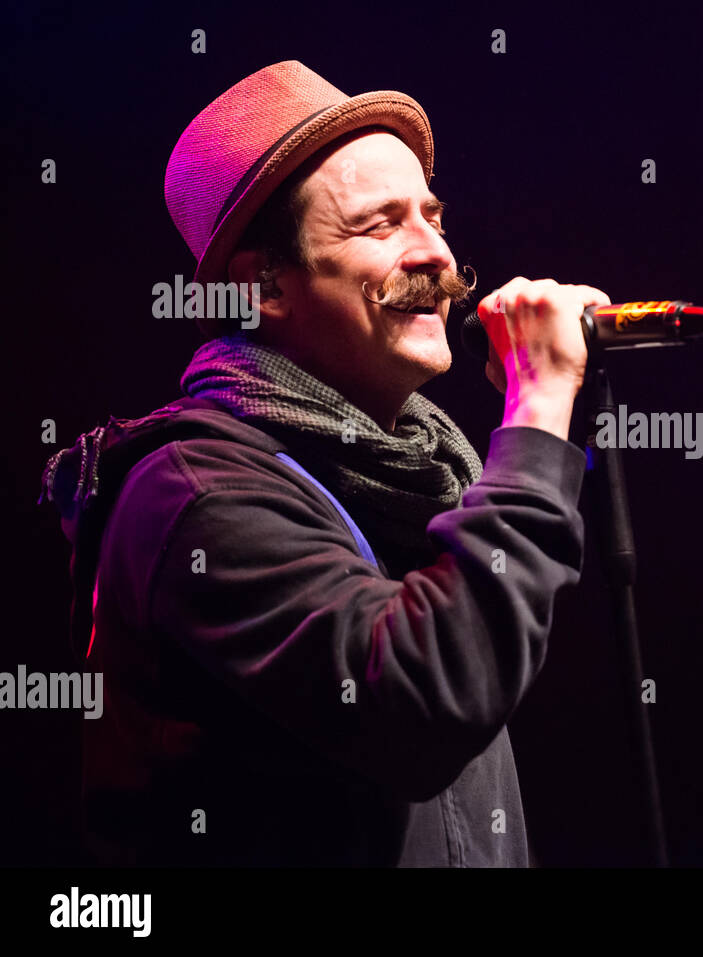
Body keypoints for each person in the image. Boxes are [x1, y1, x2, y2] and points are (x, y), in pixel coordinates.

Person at [39, 60, 608, 866]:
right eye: (382, 226)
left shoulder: (420, 482)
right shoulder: (191, 497)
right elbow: (427, 698)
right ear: (263, 287)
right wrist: (539, 410)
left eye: (433, 217)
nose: (437, 258)